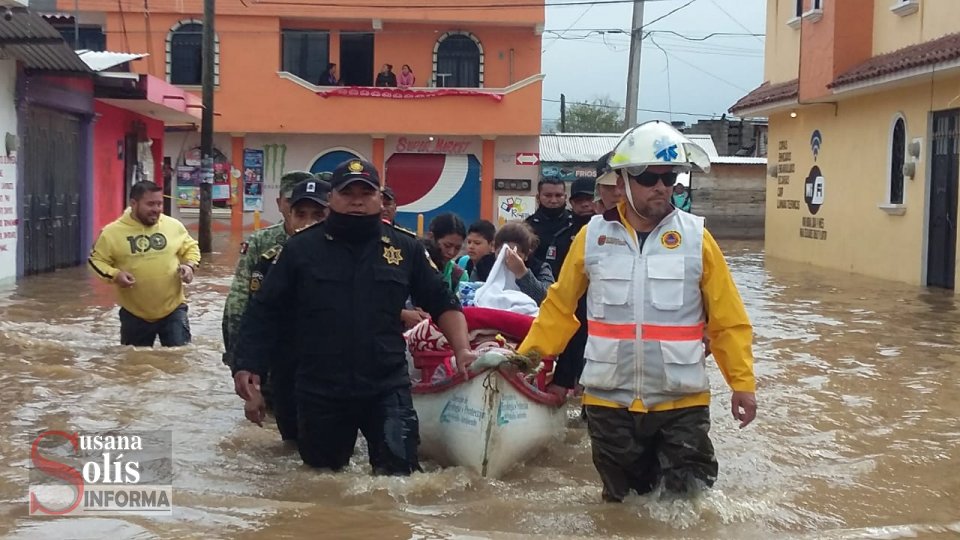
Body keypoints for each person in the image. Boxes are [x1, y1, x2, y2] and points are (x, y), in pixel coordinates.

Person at [518, 121, 757, 501]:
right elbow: (559, 310)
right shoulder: (591, 238)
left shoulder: (697, 239)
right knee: (623, 508)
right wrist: (525, 362)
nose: (662, 186)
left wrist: (742, 384)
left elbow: (728, 319)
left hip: (682, 402)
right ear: (625, 181)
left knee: (689, 506)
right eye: (649, 176)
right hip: (609, 403)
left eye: (670, 176)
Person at [232, 158, 474, 475]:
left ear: (380, 199)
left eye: (366, 192)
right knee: (322, 483)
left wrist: (462, 350)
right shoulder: (300, 250)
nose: (357, 200)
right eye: (348, 192)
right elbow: (264, 311)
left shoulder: (405, 248)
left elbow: (444, 302)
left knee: (401, 480)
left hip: (386, 385)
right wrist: (248, 365)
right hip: (320, 388)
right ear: (331, 198)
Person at [237, 178, 331, 441]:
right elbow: (256, 319)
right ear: (287, 215)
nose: (308, 222)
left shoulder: (349, 259)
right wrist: (249, 377)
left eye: (317, 215)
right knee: (291, 445)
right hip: (286, 371)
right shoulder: (271, 262)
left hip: (335, 374)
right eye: (300, 214)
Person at [88, 181, 200, 347]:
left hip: (173, 309)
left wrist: (189, 266)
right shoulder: (111, 232)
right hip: (135, 314)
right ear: (133, 203)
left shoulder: (173, 226)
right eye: (150, 204)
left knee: (179, 359)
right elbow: (96, 261)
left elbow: (191, 248)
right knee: (135, 366)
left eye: (159, 203)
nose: (156, 209)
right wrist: (115, 275)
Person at [222, 171, 316, 369]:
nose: (297, 207)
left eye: (314, 210)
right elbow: (239, 299)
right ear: (280, 203)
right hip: (269, 347)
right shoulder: (262, 241)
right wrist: (237, 358)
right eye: (291, 201)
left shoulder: (331, 242)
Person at [544, 175, 597, 394]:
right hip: (571, 313)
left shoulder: (612, 234)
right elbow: (553, 277)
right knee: (564, 373)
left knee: (593, 376)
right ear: (572, 203)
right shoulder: (562, 237)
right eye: (579, 200)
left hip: (601, 314)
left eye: (589, 198)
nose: (585, 204)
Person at [494, 222, 555, 305]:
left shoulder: (541, 269)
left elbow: (547, 299)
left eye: (515, 255)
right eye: (502, 253)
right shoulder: (484, 264)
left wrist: (522, 273)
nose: (508, 259)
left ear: (526, 255)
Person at [525, 177, 572, 278]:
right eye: (548, 195)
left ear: (565, 197)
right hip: (537, 284)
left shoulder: (575, 223)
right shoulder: (527, 227)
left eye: (558, 195)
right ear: (538, 197)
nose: (553, 200)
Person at [427, 213, 467, 293]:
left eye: (457, 248)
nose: (451, 253)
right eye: (447, 245)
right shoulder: (412, 264)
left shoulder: (458, 276)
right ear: (431, 237)